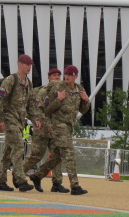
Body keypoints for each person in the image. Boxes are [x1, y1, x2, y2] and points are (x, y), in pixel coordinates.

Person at [29, 65, 90, 195]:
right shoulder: (58, 88)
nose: (67, 76)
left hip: (69, 126)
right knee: (69, 153)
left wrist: (86, 101)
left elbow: (83, 110)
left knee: (58, 156)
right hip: (58, 125)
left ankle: (37, 175)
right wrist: (58, 99)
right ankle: (75, 186)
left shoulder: (79, 89)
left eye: (70, 74)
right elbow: (47, 109)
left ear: (76, 76)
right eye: (66, 74)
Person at [0, 54, 40, 192]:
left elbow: (29, 105)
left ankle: (0, 181)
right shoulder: (11, 80)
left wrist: (35, 118)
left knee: (8, 151)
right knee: (19, 146)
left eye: (30, 65)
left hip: (20, 121)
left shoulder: (28, 83)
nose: (29, 67)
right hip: (10, 120)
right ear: (19, 64)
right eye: (26, 64)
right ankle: (20, 180)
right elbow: (0, 100)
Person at [23, 68, 69, 193]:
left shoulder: (63, 93)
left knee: (56, 155)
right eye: (54, 75)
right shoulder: (39, 91)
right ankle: (19, 175)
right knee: (36, 155)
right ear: (48, 77)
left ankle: (56, 182)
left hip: (55, 129)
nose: (56, 78)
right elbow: (32, 108)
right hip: (41, 128)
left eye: (58, 76)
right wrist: (34, 120)